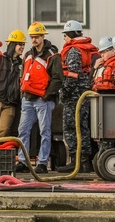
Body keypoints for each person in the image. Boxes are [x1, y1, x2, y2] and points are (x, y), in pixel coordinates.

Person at [15, 22, 60, 173]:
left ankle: (42, 162)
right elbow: (22, 75)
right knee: (23, 131)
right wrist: (23, 93)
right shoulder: (28, 55)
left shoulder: (52, 56)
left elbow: (57, 78)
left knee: (44, 132)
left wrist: (47, 96)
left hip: (43, 100)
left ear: (42, 37)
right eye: (32, 37)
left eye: (36, 37)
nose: (34, 40)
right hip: (27, 98)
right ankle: (23, 161)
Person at [55, 20, 97, 173]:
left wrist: (64, 93)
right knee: (82, 127)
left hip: (74, 96)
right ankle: (85, 162)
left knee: (71, 127)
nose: (64, 39)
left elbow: (72, 75)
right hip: (83, 93)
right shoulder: (85, 49)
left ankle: (76, 161)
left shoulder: (73, 51)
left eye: (65, 36)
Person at [0, 29, 26, 138]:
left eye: (23, 44)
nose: (22, 47)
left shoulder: (22, 64)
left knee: (4, 130)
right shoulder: (0, 59)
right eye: (20, 44)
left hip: (11, 103)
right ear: (12, 45)